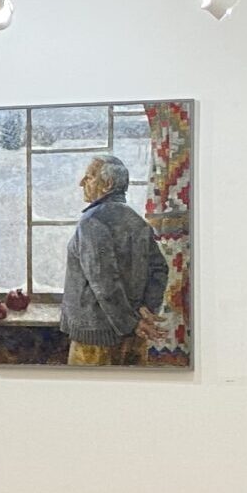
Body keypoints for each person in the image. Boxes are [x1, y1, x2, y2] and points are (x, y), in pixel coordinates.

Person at [61, 154, 169, 366]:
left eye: (89, 177)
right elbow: (160, 269)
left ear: (107, 184)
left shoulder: (91, 221)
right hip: (135, 335)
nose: (81, 182)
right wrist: (146, 310)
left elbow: (104, 282)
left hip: (95, 339)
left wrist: (132, 323)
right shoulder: (137, 222)